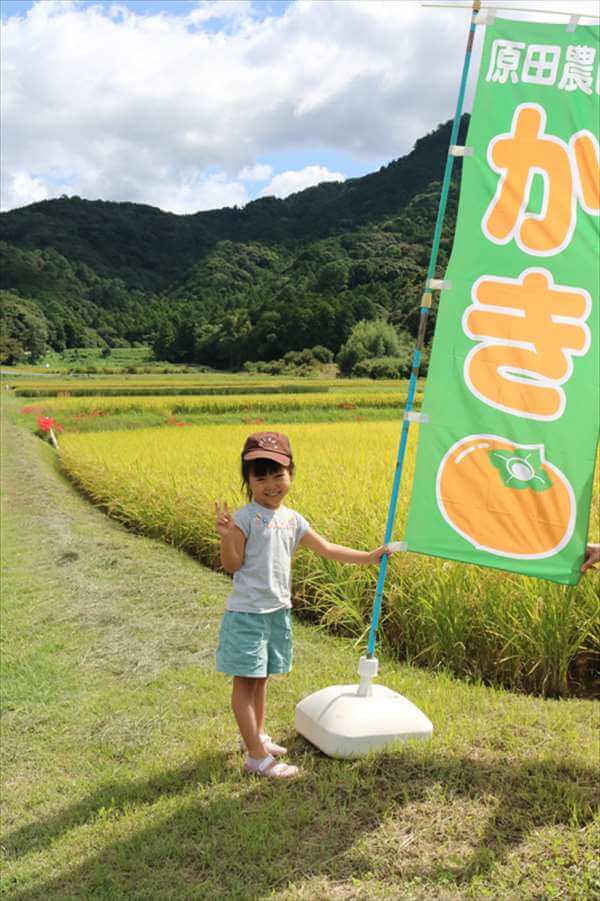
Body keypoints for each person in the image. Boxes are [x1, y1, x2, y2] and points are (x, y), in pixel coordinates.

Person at [214, 431, 391, 779]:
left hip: (276, 613)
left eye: (277, 475)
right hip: (248, 615)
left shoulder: (292, 520)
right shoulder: (244, 519)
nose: (271, 485)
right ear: (248, 481)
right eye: (260, 478)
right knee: (245, 683)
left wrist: (369, 557)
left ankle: (258, 736)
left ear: (291, 473)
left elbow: (327, 548)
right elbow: (232, 565)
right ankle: (256, 757)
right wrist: (226, 537)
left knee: (262, 679)